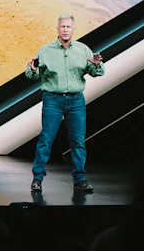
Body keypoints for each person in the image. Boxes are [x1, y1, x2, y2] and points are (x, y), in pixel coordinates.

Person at [25, 13, 104, 193]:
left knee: (78, 141)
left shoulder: (83, 50)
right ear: (57, 29)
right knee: (46, 139)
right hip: (53, 99)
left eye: (69, 27)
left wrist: (96, 64)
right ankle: (37, 179)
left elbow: (97, 72)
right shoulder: (46, 50)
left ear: (74, 29)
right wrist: (33, 69)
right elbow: (32, 75)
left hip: (76, 100)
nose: (66, 29)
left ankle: (80, 179)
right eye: (63, 26)